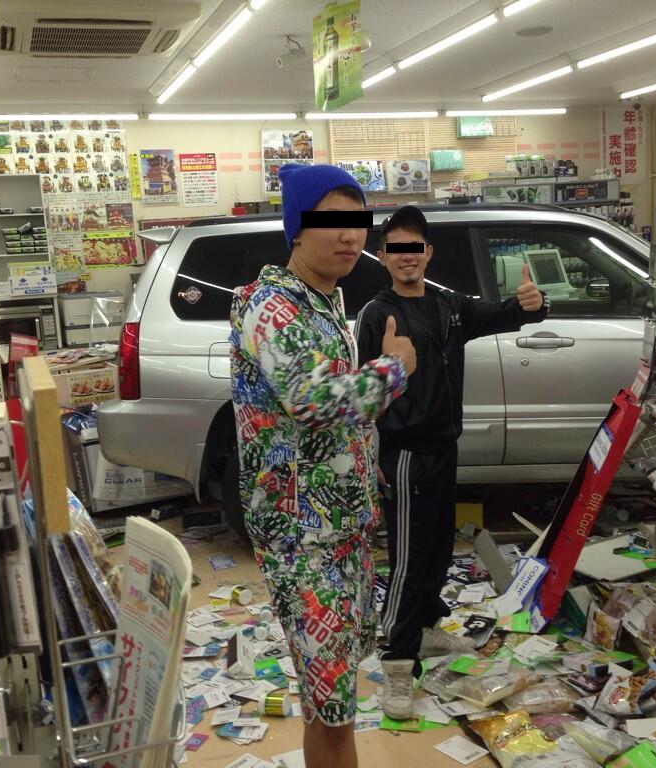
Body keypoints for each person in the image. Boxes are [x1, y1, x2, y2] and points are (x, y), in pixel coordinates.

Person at [229, 164, 416, 768]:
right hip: (303, 538)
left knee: (331, 701)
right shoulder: (272, 307)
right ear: (296, 228)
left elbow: (328, 410)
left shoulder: (324, 299)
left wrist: (361, 461)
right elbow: (312, 401)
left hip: (339, 524)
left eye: (357, 222)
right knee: (333, 707)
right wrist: (394, 368)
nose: (349, 235)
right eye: (331, 221)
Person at [355, 205, 549, 719]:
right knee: (408, 557)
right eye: (396, 248)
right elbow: (360, 393)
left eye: (414, 247)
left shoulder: (450, 305)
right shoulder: (376, 314)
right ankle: (398, 662)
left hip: (444, 447)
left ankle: (423, 629)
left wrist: (532, 306)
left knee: (439, 546)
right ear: (383, 256)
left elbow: (503, 314)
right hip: (404, 452)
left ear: (428, 253)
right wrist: (372, 451)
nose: (406, 257)